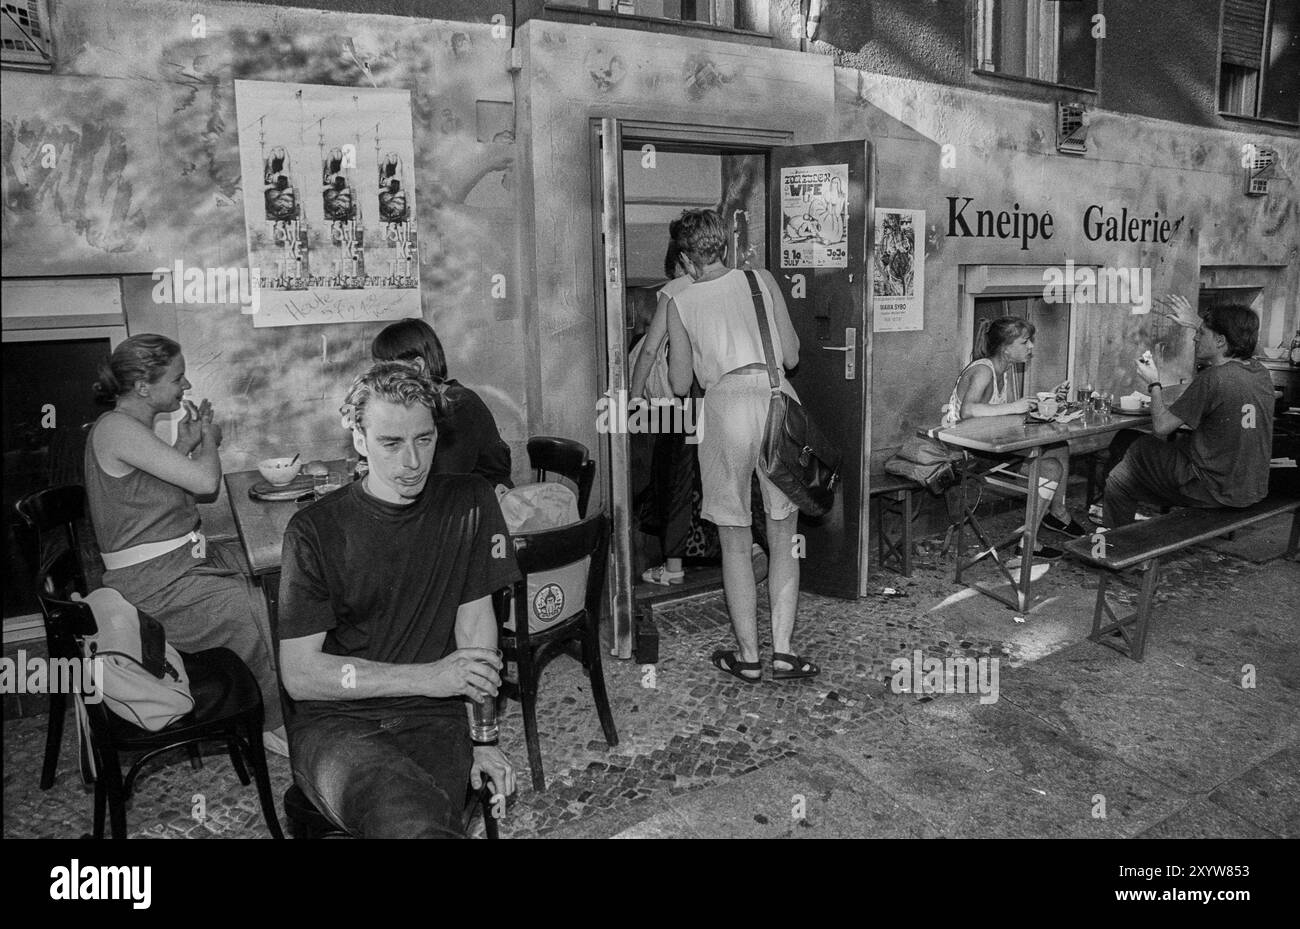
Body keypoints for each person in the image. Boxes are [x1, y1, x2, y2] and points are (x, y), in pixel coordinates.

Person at [278, 362, 519, 838]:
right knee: (408, 816)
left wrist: (484, 739)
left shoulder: (470, 504)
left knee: (421, 820)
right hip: (338, 724)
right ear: (359, 439)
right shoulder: (315, 530)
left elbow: (476, 635)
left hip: (435, 717)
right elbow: (301, 675)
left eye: (424, 440)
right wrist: (429, 676)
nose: (412, 462)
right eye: (391, 443)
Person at [84, 335, 286, 753]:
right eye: (177, 378)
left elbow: (156, 493)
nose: (187, 386)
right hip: (153, 585)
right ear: (143, 386)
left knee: (268, 571)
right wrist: (210, 439)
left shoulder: (129, 430)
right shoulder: (116, 428)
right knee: (249, 605)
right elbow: (206, 483)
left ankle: (289, 688)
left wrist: (184, 444)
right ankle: (269, 721)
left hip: (178, 564)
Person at [664, 209, 816, 682]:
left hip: (724, 406)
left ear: (688, 260)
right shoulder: (761, 279)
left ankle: (748, 657)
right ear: (724, 249)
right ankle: (785, 652)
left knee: (734, 539)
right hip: (775, 399)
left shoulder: (680, 299)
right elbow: (791, 356)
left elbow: (680, 381)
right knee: (783, 537)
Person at [1103, 302, 1274, 528]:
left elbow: (1162, 427)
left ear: (1221, 340)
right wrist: (1197, 323)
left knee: (1135, 454)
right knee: (1125, 449)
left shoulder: (1214, 378)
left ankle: (1117, 546)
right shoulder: (1259, 372)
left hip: (1214, 490)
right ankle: (1126, 525)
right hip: (1249, 487)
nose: (1195, 338)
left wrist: (1154, 382)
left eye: (1201, 333)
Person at [940, 316, 1090, 559]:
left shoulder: (1004, 369)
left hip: (988, 445)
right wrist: (1016, 406)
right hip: (966, 453)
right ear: (1006, 348)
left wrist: (1045, 401)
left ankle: (1057, 514)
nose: (1031, 347)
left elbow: (1001, 413)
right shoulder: (983, 370)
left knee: (1059, 446)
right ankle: (1029, 542)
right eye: (1025, 342)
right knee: (1050, 468)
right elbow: (969, 411)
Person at [371, 318, 512, 489]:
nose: (380, 377)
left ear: (417, 367)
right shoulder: (420, 405)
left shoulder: (460, 406)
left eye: (386, 369)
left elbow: (440, 481)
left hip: (480, 505)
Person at [630, 231, 697, 585]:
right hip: (718, 400)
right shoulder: (727, 284)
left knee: (675, 482)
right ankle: (747, 551)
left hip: (680, 405)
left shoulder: (674, 292)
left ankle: (673, 569)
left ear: (679, 262)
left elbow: (650, 351)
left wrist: (633, 398)